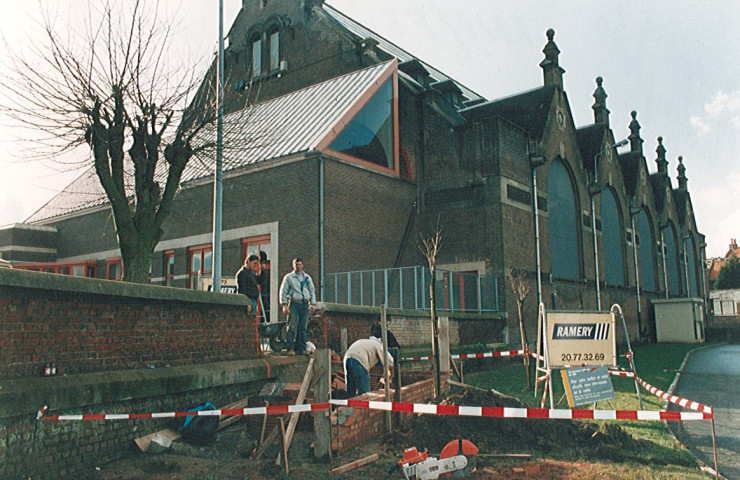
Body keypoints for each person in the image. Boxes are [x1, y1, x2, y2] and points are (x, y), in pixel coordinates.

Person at [278, 257, 316, 355]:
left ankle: (301, 349)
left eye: (299, 264)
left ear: (302, 265)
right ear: (293, 265)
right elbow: (283, 290)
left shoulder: (307, 278)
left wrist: (312, 303)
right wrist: (284, 304)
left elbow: (312, 290)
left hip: (304, 304)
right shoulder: (289, 277)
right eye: (296, 264)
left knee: (303, 327)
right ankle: (290, 348)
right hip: (294, 303)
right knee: (292, 326)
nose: (298, 266)